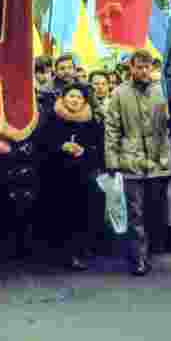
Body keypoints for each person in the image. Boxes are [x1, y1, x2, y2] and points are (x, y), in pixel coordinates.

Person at [104, 50, 171, 276]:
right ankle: (139, 257)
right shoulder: (119, 93)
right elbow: (112, 128)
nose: (144, 71)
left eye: (147, 67)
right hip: (130, 160)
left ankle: (149, 250)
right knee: (135, 212)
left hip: (157, 161)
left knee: (154, 209)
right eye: (139, 67)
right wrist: (112, 160)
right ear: (130, 68)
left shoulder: (162, 92)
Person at [38, 82, 104, 270]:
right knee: (57, 214)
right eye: (71, 96)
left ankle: (76, 252)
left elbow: (98, 148)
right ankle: (55, 252)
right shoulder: (52, 118)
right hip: (55, 175)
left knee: (80, 214)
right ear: (64, 98)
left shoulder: (91, 121)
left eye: (79, 97)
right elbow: (42, 144)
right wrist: (61, 147)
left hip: (81, 175)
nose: (75, 100)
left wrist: (85, 151)